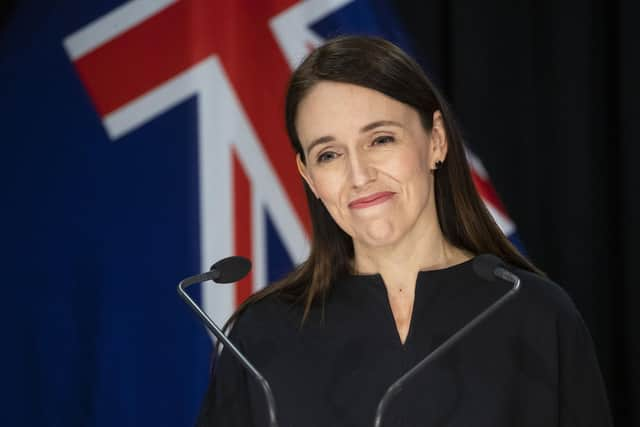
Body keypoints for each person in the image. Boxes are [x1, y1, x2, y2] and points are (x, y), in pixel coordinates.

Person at [196, 35, 612, 427]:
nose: (359, 175)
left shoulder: (535, 313)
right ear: (308, 175)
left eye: (380, 140)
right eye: (329, 154)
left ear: (436, 141)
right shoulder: (260, 333)